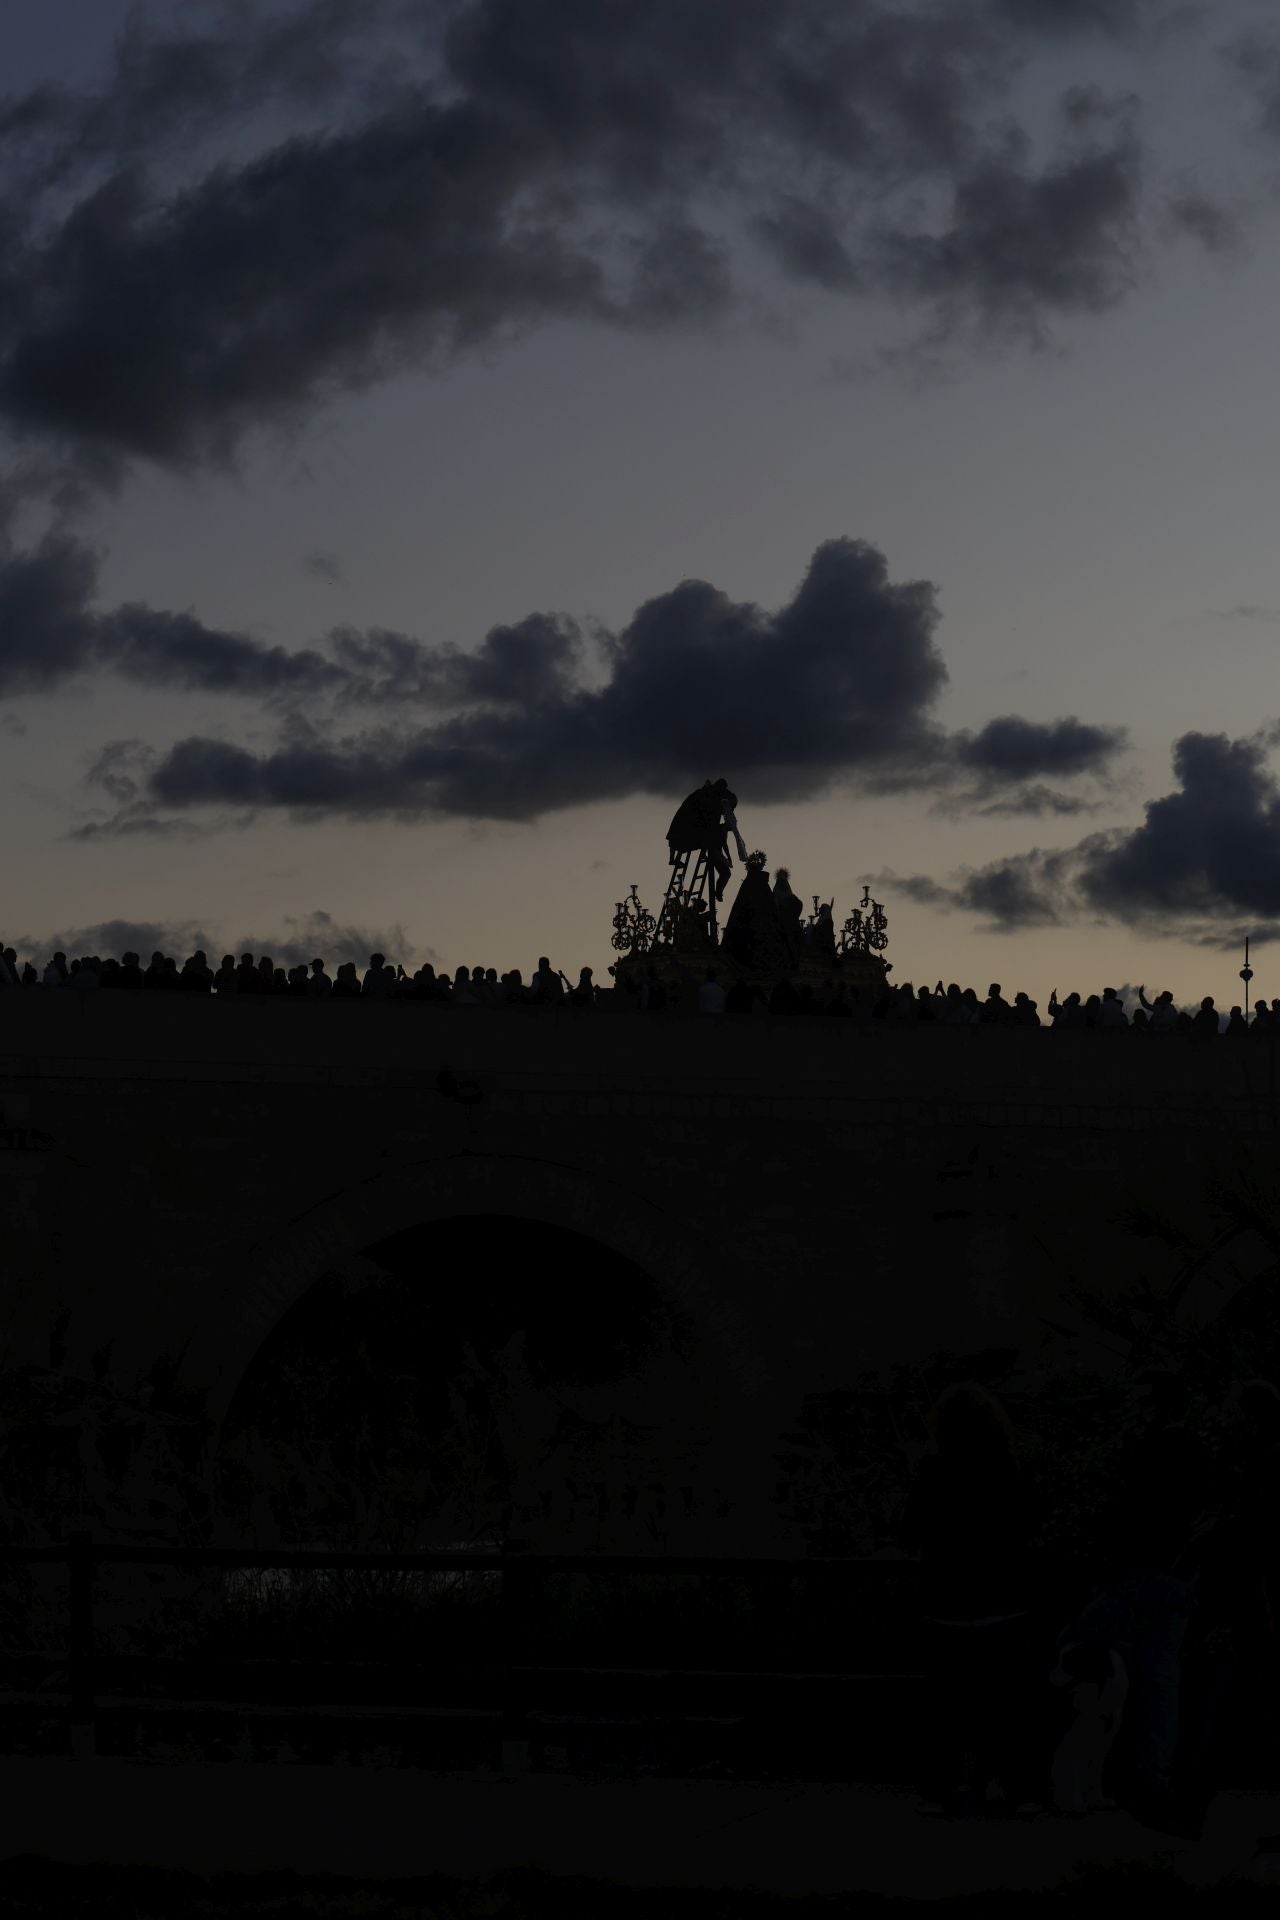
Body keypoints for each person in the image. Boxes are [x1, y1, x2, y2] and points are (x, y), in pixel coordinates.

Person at [899, 1383, 1043, 1814]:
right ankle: (1017, 1787)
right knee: (1007, 1702)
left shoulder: (932, 1470)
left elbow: (910, 1530)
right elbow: (1030, 1525)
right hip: (1004, 1602)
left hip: (946, 1603)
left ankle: (944, 1788)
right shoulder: (1010, 1469)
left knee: (946, 1704)